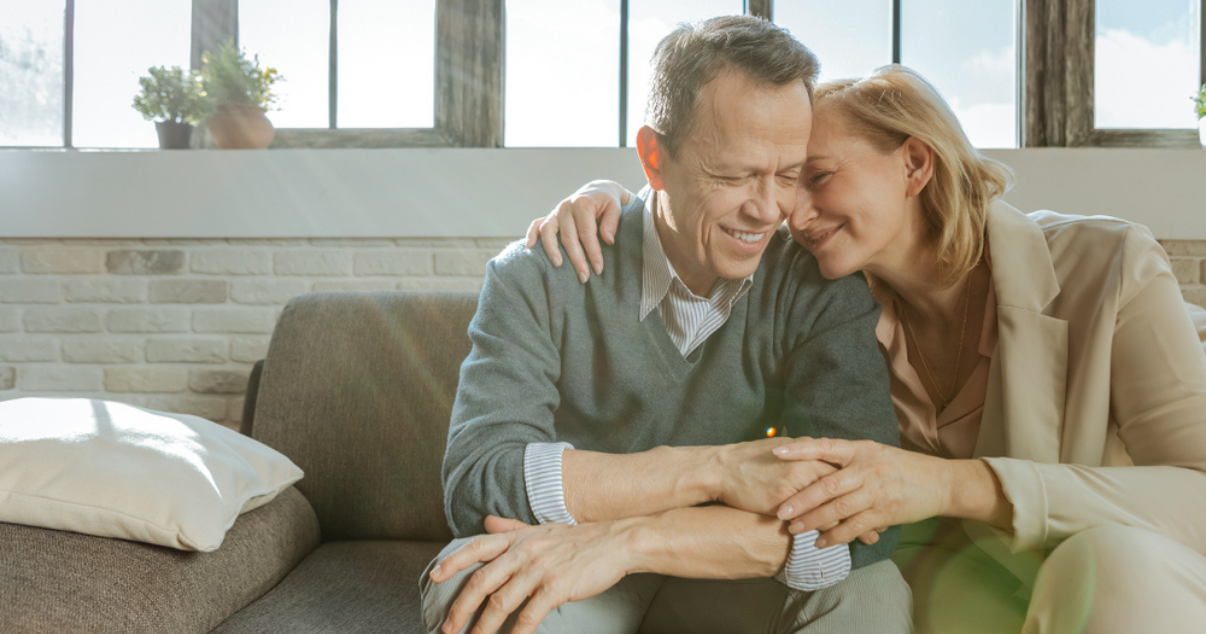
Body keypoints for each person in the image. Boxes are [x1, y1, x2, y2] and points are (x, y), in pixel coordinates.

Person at [531, 64, 1206, 633]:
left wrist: (949, 484)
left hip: (1123, 593)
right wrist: (609, 201)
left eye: (816, 177)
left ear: (913, 163)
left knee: (1104, 561)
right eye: (788, 184)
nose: (792, 213)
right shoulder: (828, 306)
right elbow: (699, 238)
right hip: (961, 598)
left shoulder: (1108, 265)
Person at [420, 16, 913, 634]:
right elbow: (480, 480)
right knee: (475, 585)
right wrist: (717, 470)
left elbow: (863, 515)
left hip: (735, 566)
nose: (768, 210)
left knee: (868, 589)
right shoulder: (540, 274)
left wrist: (631, 538)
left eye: (788, 175)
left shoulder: (819, 289)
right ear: (655, 158)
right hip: (572, 572)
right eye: (734, 175)